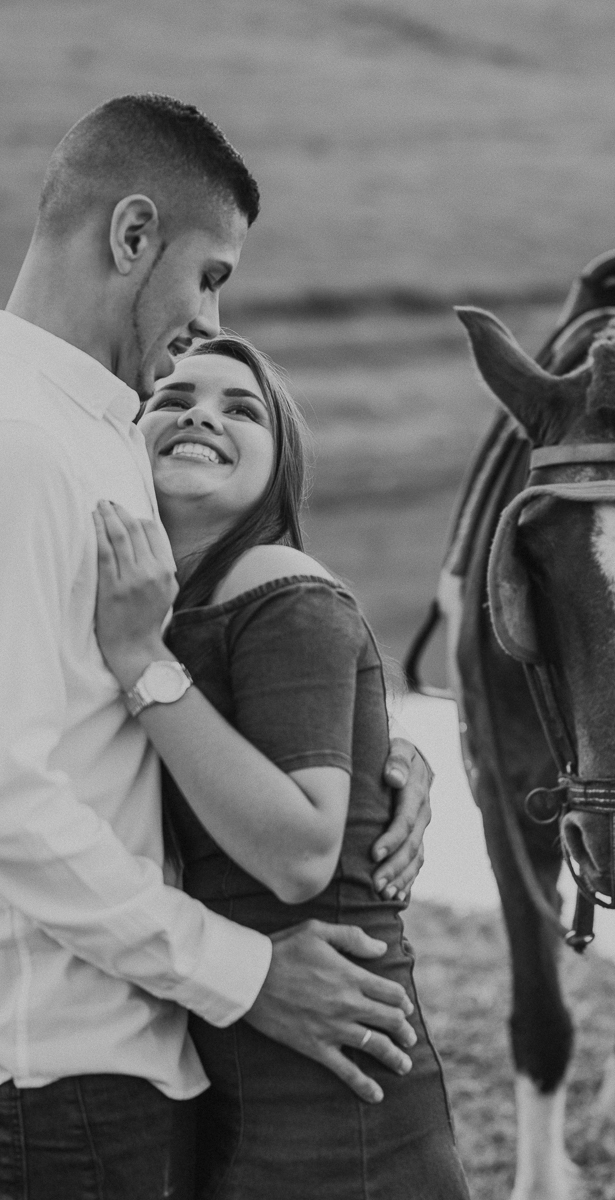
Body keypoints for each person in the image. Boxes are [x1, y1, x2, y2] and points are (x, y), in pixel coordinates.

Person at [0, 94, 432, 1198]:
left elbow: (211, 649)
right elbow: (11, 794)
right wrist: (243, 974)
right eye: (211, 275)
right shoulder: (21, 443)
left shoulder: (98, 436)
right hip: (62, 1068)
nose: (206, 316)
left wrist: (377, 758)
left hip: (149, 1056)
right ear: (132, 236)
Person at [92, 331, 471, 1200]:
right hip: (233, 1069)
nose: (201, 415)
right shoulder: (164, 606)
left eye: (242, 408)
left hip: (337, 1097)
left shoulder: (274, 581)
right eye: (175, 398)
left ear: (277, 468)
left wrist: (140, 663)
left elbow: (301, 854)